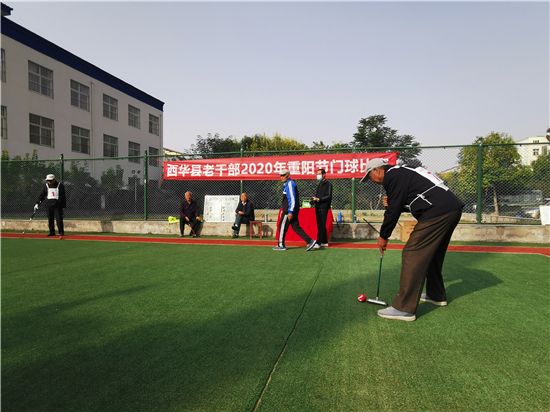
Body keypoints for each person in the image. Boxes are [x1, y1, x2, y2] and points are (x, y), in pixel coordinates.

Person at [361, 158, 464, 322]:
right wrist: (394, 204)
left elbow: (394, 211)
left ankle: (404, 308)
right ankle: (436, 295)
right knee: (432, 254)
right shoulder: (402, 171)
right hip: (451, 209)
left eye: (370, 176)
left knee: (412, 252)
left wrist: (384, 235)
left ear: (377, 170)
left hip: (437, 212)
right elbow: (412, 200)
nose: (372, 181)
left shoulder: (391, 177)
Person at [274, 169, 317, 251]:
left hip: (289, 211)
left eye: (283, 175)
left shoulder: (290, 184)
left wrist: (290, 211)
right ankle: (310, 241)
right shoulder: (287, 184)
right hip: (289, 209)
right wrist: (283, 209)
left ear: (288, 175)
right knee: (296, 227)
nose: (281, 177)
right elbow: (286, 200)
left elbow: (292, 199)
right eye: (280, 175)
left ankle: (281, 245)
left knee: (282, 226)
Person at [312, 168, 332, 248]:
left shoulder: (328, 184)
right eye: (317, 174)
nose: (318, 176)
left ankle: (318, 242)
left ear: (324, 174)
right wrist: (315, 200)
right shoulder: (319, 184)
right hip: (318, 206)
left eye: (319, 174)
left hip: (324, 207)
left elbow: (328, 196)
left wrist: (319, 199)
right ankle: (324, 241)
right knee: (320, 224)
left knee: (321, 224)